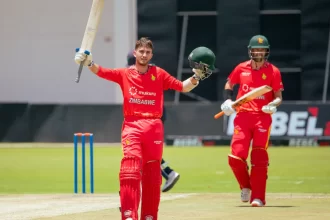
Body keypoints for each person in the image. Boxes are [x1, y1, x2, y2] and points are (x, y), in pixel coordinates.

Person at [75, 37, 215, 220]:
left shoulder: (159, 73)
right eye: (141, 51)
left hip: (154, 127)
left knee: (152, 175)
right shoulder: (125, 73)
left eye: (147, 52)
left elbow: (182, 87)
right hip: (132, 125)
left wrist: (196, 77)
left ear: (151, 55)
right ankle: (128, 214)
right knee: (130, 169)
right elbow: (102, 72)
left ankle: (149, 216)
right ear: (135, 53)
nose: (144, 55)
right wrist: (89, 62)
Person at [220, 35, 284, 207]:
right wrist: (227, 100)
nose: (258, 52)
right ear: (250, 50)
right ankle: (246, 186)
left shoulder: (273, 71)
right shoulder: (241, 68)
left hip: (263, 118)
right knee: (235, 157)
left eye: (262, 49)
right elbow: (229, 84)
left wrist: (273, 104)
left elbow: (278, 96)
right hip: (242, 116)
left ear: (266, 51)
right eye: (256, 49)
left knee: (259, 156)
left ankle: (258, 197)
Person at [126, 51, 180, 193]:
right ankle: (166, 173)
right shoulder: (152, 71)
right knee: (146, 151)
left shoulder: (143, 73)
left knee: (145, 152)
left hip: (149, 116)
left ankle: (166, 174)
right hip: (155, 115)